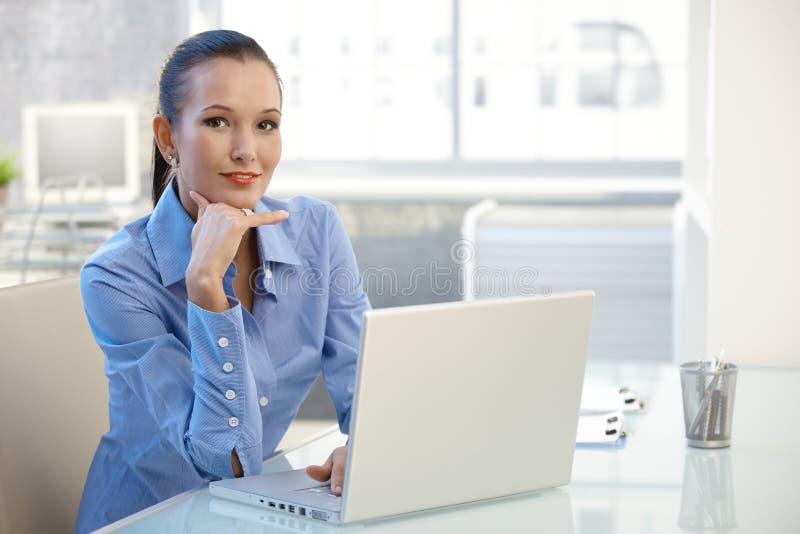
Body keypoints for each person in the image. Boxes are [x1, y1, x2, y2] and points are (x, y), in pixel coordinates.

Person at [75, 30, 370, 533]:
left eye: (266, 125)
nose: (246, 150)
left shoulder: (316, 231)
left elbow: (368, 392)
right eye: (217, 121)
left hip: (252, 516)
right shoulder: (115, 277)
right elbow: (225, 460)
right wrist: (207, 288)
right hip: (147, 519)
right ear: (168, 138)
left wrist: (362, 449)